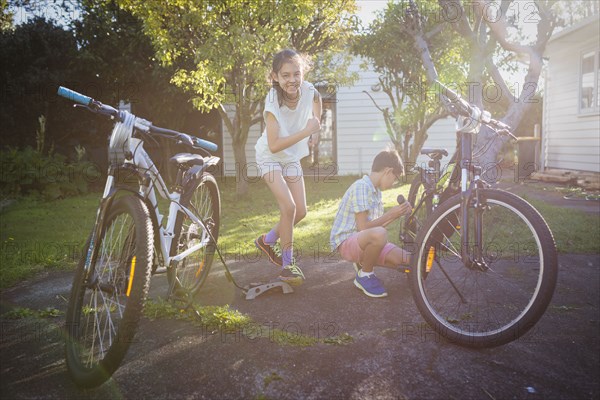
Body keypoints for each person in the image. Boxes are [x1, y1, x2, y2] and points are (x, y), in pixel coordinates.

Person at [254, 49, 322, 286]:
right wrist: (306, 132)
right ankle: (287, 265)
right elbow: (273, 145)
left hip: (291, 156)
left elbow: (317, 101)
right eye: (285, 75)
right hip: (269, 157)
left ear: (303, 72)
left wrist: (316, 126)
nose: (292, 80)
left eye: (296, 73)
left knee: (301, 211)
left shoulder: (309, 89)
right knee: (289, 207)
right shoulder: (272, 101)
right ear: (275, 76)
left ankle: (267, 240)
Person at [330, 149, 412, 297]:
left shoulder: (376, 191)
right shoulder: (362, 186)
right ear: (388, 171)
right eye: (395, 178)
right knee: (380, 234)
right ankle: (365, 275)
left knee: (409, 260)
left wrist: (396, 214)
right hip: (346, 242)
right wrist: (390, 213)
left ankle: (363, 262)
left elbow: (374, 228)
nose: (394, 183)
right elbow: (363, 228)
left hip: (364, 241)